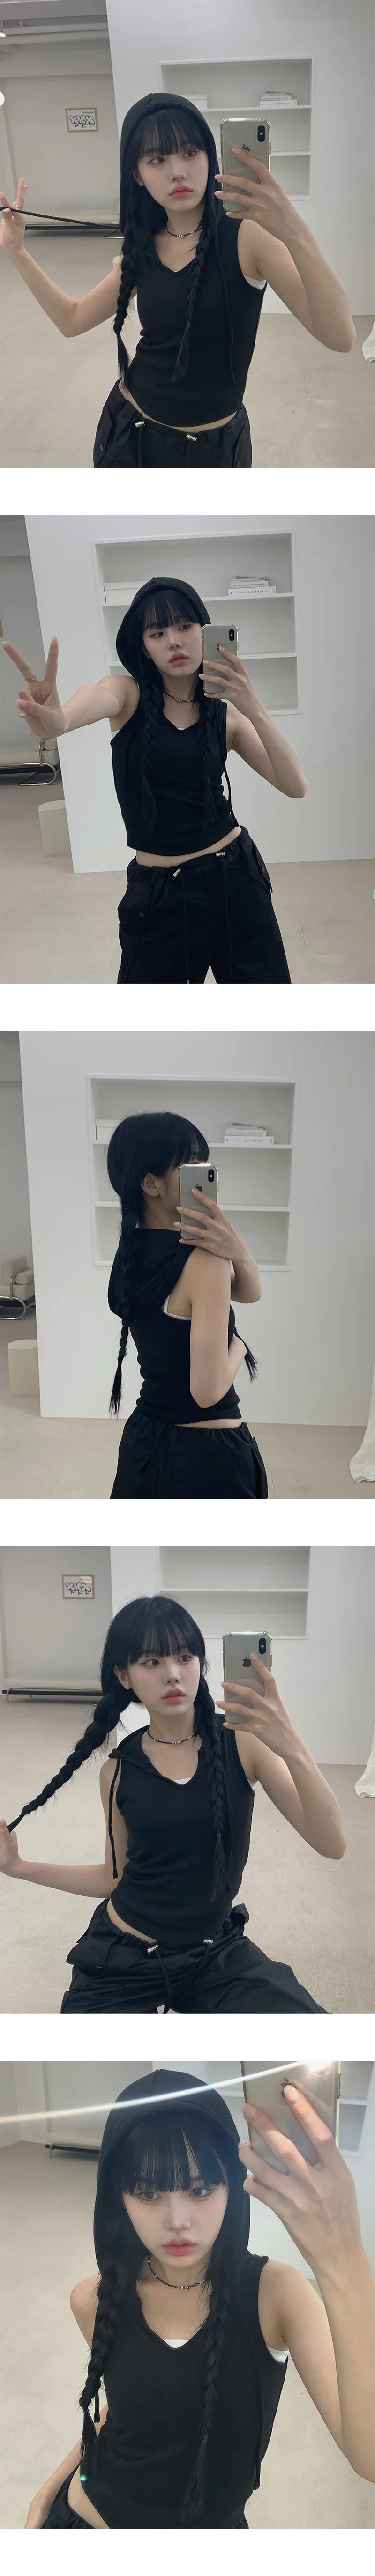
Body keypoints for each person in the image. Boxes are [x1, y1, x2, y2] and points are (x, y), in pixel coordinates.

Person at [22, 2067, 375, 2526]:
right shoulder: (93, 2299)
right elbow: (123, 2412)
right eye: (148, 2192)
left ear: (231, 2186)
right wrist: (48, 2493)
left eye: (200, 2189)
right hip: (83, 2521)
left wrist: (342, 2255)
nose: (178, 2220)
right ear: (118, 2198)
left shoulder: (277, 2295)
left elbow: (368, 2457)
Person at [0, 1592, 346, 2015]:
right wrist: (18, 1868)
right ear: (124, 1676)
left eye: (185, 1657)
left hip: (215, 1952)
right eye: (151, 1662)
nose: (173, 1675)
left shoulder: (243, 1743)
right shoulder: (118, 1771)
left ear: (201, 1663)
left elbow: (333, 1844)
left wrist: (291, 1743)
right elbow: (113, 1878)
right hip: (128, 1957)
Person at [0, 95, 356, 473]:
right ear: (138, 175)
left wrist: (293, 229)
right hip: (129, 436)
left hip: (214, 452)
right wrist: (17, 252)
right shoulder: (144, 248)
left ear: (210, 157)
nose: (177, 172)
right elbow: (72, 320)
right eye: (157, 160)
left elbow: (340, 337)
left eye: (190, 153)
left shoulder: (249, 237)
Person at [2, 575, 304, 983]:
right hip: (160, 893)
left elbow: (295, 785)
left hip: (234, 879)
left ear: (205, 632)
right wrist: (56, 720)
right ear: (143, 646)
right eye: (157, 633)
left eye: (184, 627)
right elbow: (77, 710)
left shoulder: (227, 718)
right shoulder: (126, 695)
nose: (174, 642)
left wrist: (253, 706)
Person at [105, 1109, 267, 1499]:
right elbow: (207, 1393)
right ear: (152, 1183)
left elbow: (247, 1292)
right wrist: (238, 1347)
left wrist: (238, 1252)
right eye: (192, 1164)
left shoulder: (130, 1252)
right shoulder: (205, 1261)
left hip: (144, 1443)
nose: (205, 1172)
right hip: (207, 1458)